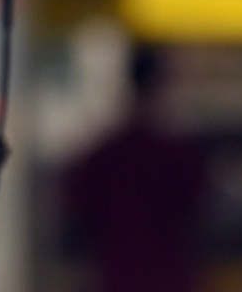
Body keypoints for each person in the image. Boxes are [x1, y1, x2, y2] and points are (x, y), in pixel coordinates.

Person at [64, 47, 209, 292]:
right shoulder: (173, 154)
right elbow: (197, 211)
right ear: (161, 85)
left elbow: (76, 206)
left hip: (117, 274)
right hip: (165, 276)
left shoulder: (107, 154)